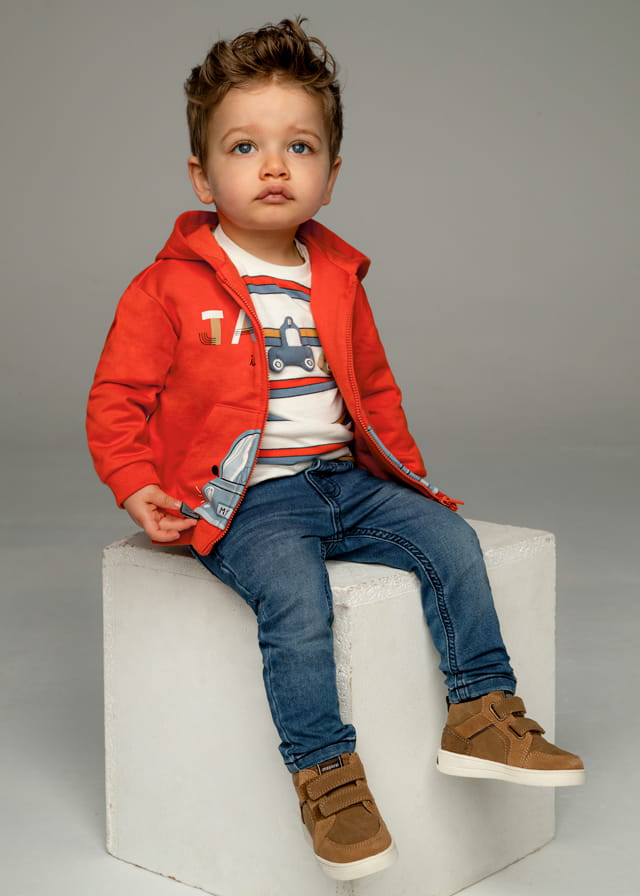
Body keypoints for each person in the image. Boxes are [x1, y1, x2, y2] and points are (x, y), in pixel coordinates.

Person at [86, 18, 584, 882]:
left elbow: (376, 391)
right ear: (202, 175)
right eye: (245, 147)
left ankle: (482, 711)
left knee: (452, 543)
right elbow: (115, 398)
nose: (274, 166)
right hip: (247, 500)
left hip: (343, 480)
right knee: (295, 598)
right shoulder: (166, 287)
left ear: (331, 174)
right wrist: (134, 483)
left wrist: (408, 479)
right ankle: (327, 777)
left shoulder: (336, 277)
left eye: (300, 147)